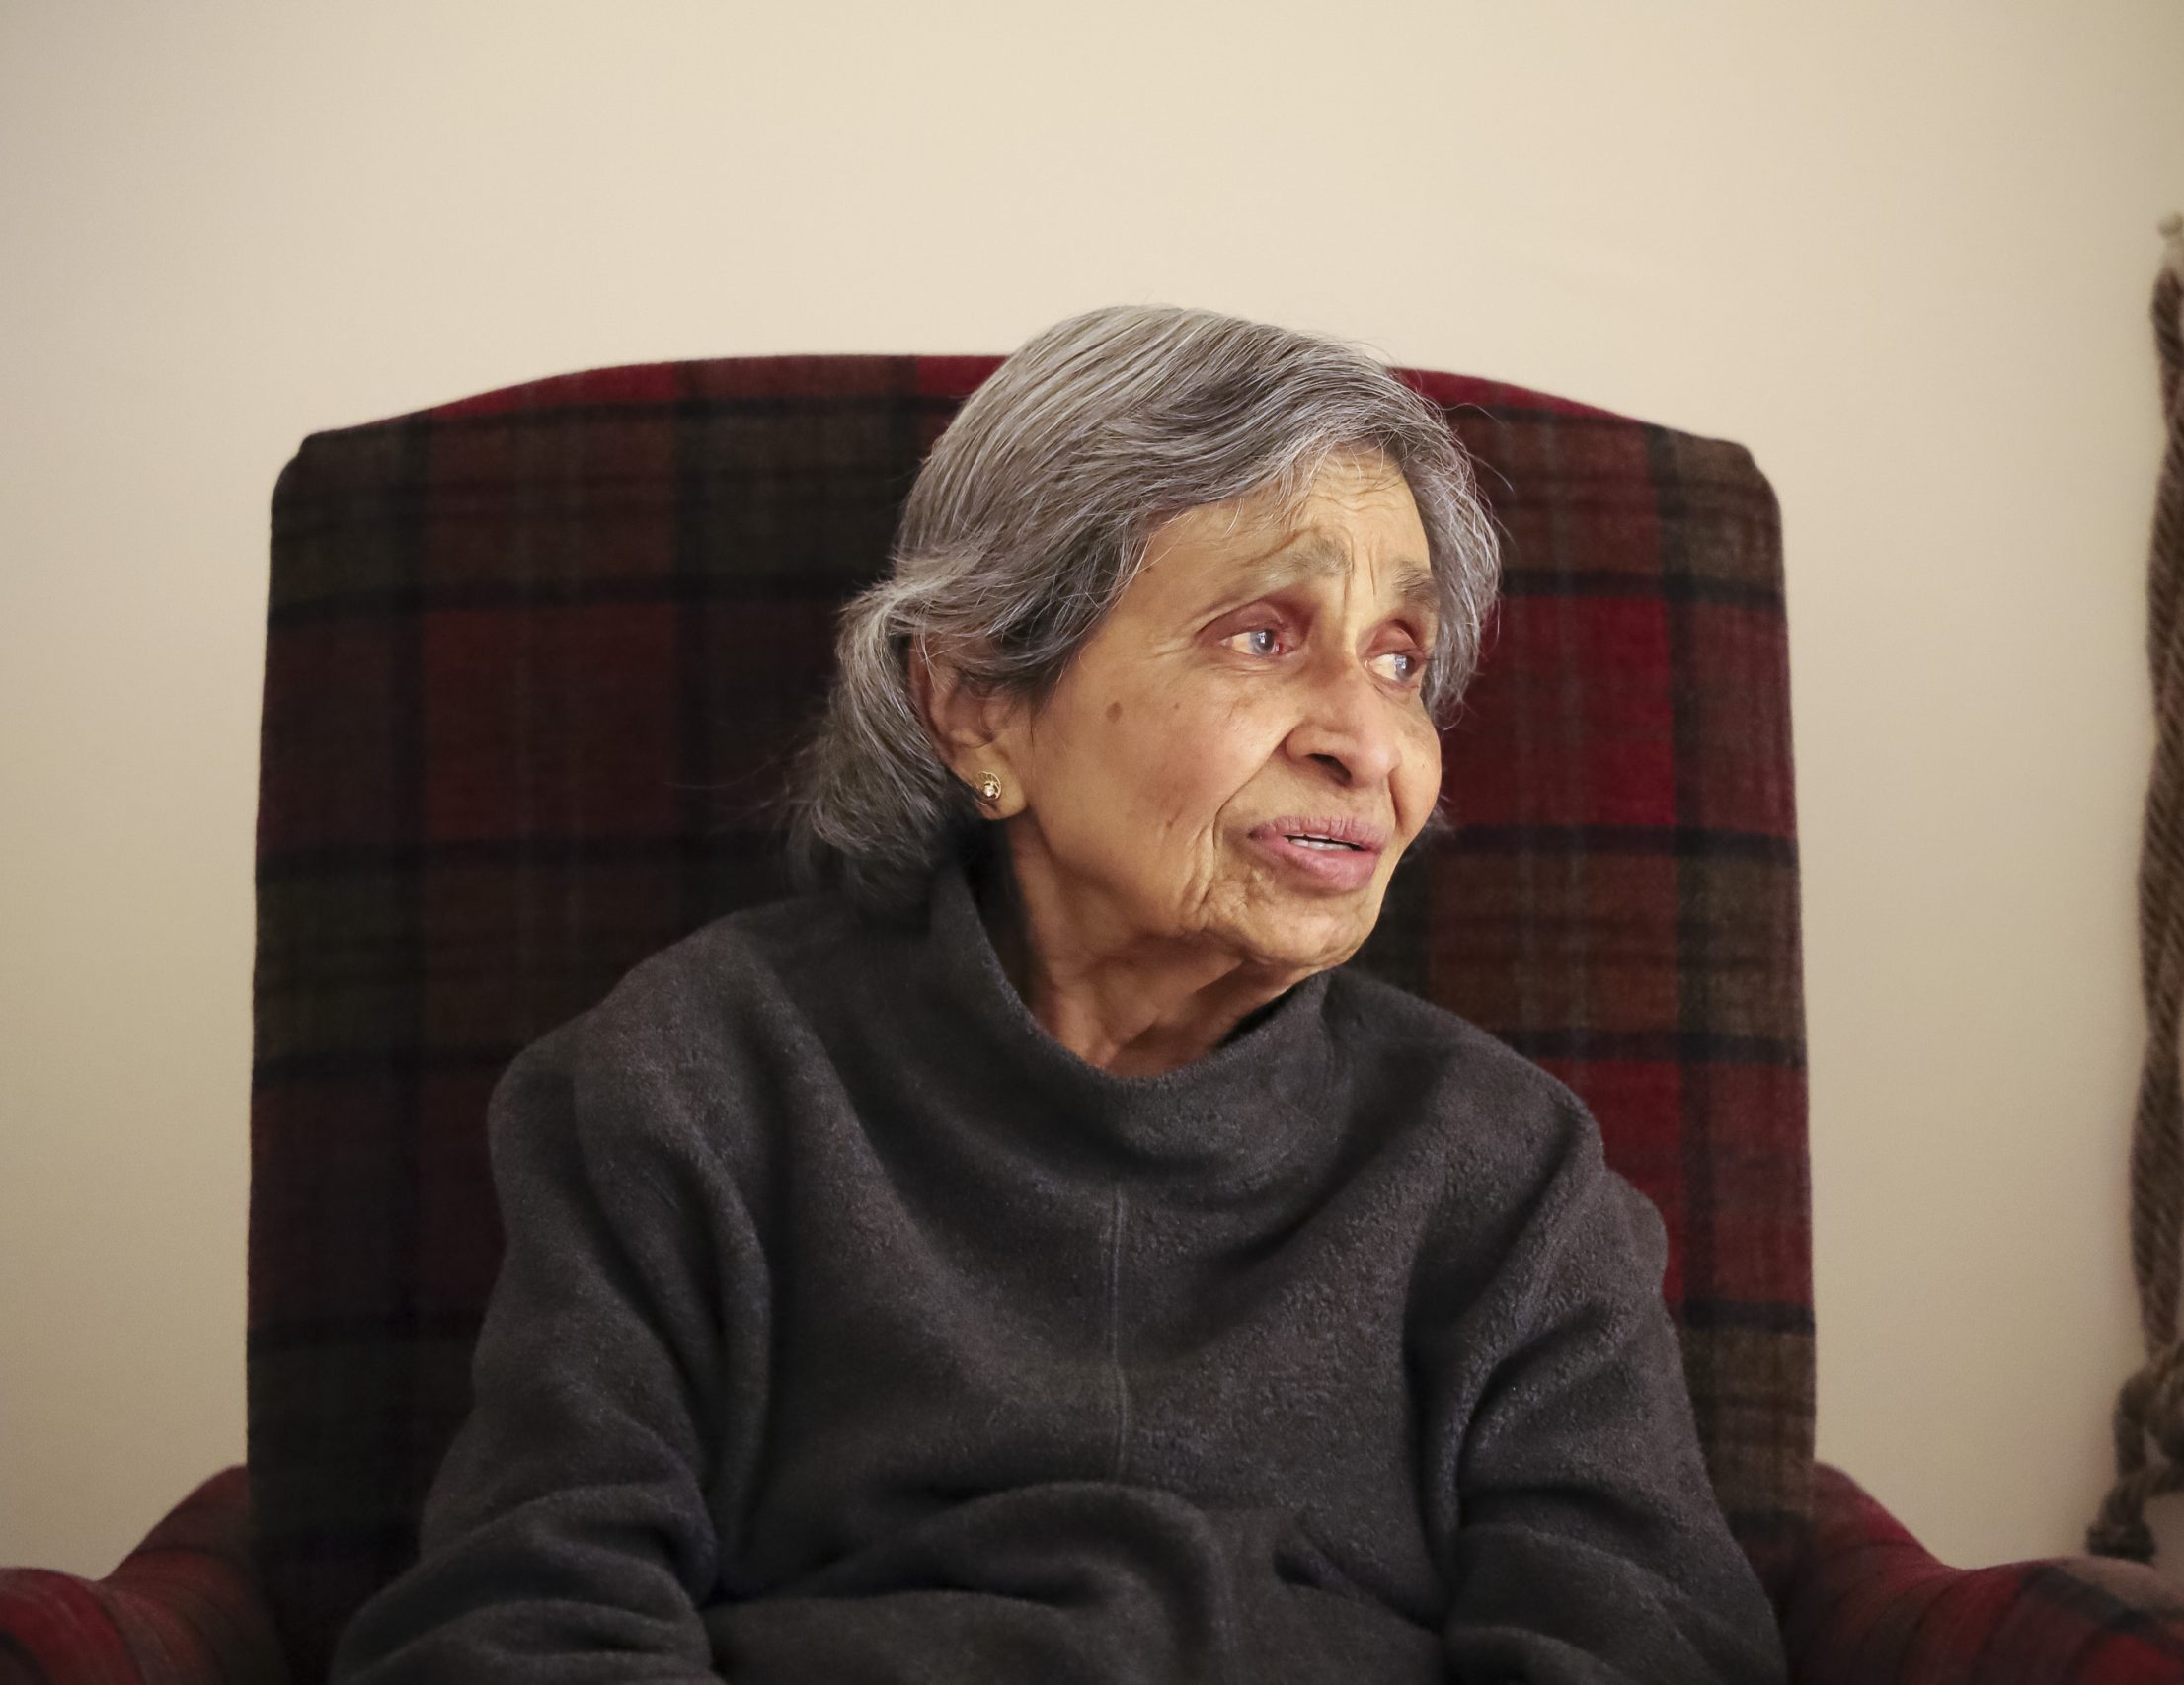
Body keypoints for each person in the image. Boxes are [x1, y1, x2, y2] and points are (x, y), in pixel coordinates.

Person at [330, 305, 1788, 1684]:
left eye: (1400, 661)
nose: (1367, 740)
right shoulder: (696, 1086)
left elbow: (1641, 1648)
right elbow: (526, 1618)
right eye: (1262, 634)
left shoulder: (1507, 1175)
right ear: (978, 702)